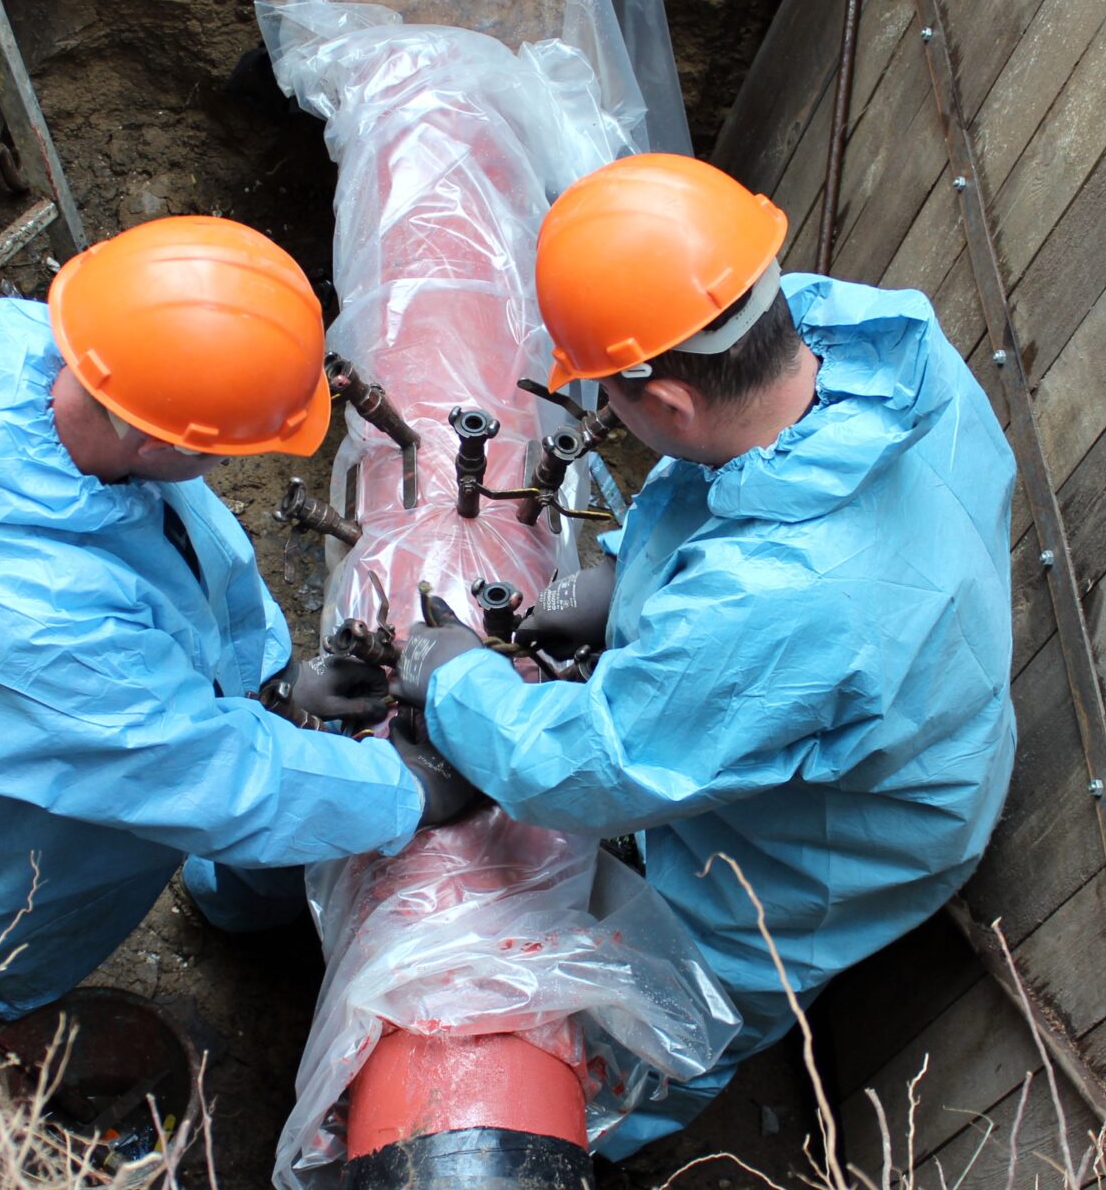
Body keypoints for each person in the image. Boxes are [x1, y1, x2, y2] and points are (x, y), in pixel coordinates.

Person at [389, 154, 1018, 1153]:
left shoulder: (774, 600)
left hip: (829, 850)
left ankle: (599, 1120)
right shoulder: (869, 336)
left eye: (610, 394)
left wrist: (455, 680)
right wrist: (630, 584)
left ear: (671, 407)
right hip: (921, 703)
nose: (603, 408)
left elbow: (595, 767)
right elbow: (736, 492)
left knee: (681, 1007)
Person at [0, 216, 469, 1019]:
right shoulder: (33, 619)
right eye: (223, 452)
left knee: (223, 827)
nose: (227, 467)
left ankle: (230, 900)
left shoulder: (54, 354)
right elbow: (213, 778)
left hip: (78, 708)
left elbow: (183, 563)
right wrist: (405, 794)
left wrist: (273, 684)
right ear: (157, 445)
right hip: (10, 823)